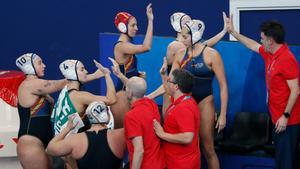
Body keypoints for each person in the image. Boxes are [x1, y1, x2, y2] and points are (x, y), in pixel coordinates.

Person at [226, 15, 300, 169]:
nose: (260, 41)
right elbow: (252, 45)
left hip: (287, 121)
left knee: (286, 162)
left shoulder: (287, 59)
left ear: (270, 41)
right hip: (277, 118)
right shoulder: (270, 53)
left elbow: (295, 90)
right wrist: (233, 32)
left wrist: (285, 116)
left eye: (262, 38)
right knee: (280, 160)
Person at [170, 19, 228, 169]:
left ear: (195, 36)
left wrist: (222, 114)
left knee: (208, 148)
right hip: (184, 103)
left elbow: (223, 86)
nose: (181, 40)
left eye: (184, 37)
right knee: (187, 146)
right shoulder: (180, 53)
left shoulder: (212, 55)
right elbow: (171, 81)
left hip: (204, 101)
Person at [148, 12, 228, 116]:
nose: (190, 24)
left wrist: (224, 31)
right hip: (172, 91)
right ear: (178, 26)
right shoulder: (176, 46)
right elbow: (202, 46)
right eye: (187, 22)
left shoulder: (191, 45)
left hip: (186, 91)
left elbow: (202, 46)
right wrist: (151, 96)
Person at [109, 57, 165, 169]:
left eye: (126, 90)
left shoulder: (131, 116)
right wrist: (119, 75)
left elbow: (139, 150)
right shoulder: (151, 104)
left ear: (129, 92)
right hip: (160, 164)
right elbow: (136, 90)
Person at [16, 53, 67, 169]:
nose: (44, 65)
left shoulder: (40, 89)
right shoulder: (28, 85)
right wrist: (73, 76)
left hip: (46, 139)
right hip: (30, 141)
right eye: (39, 63)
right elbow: (56, 85)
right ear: (29, 67)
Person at [46, 101, 126, 169]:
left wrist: (68, 127)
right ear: (107, 115)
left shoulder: (76, 139)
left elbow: (49, 149)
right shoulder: (121, 134)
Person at [153, 66, 201, 169]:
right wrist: (163, 75)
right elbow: (167, 89)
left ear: (176, 87)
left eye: (169, 81)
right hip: (177, 161)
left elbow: (188, 137)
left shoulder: (184, 108)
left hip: (182, 164)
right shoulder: (181, 100)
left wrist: (162, 134)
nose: (166, 82)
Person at [113, 3, 153, 91]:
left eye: (136, 25)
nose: (136, 28)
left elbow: (127, 71)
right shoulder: (121, 46)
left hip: (130, 90)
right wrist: (150, 21)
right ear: (122, 27)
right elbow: (146, 47)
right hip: (123, 93)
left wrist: (137, 74)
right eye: (133, 25)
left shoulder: (128, 43)